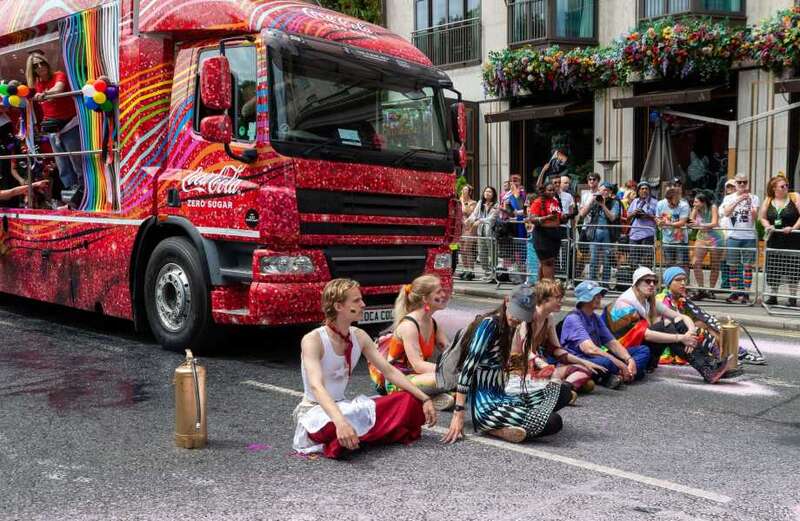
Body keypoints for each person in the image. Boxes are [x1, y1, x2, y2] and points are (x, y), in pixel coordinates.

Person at [293, 279, 436, 459]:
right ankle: (350, 434)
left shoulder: (359, 336)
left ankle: (352, 437)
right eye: (356, 301)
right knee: (347, 419)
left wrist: (424, 398)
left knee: (407, 399)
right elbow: (316, 387)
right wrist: (340, 422)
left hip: (346, 408)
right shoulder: (313, 340)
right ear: (338, 306)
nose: (363, 304)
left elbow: (389, 371)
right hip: (318, 413)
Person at [441, 285, 573, 444]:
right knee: (553, 422)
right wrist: (458, 412)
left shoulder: (512, 326)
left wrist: (535, 378)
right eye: (516, 312)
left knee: (563, 391)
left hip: (505, 394)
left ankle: (516, 419)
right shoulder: (489, 324)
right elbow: (468, 368)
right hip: (487, 404)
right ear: (506, 302)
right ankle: (495, 427)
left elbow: (514, 361)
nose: (517, 319)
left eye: (522, 316)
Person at [603, 267, 729, 383]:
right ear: (636, 283)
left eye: (654, 281)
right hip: (626, 353)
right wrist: (682, 338)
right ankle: (707, 368)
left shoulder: (649, 300)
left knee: (677, 322)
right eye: (647, 281)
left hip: (641, 347)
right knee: (666, 325)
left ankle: (709, 366)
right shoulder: (622, 305)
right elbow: (646, 335)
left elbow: (681, 317)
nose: (652, 284)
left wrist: (690, 332)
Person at [509, 280, 606, 401]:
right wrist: (545, 366)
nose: (562, 301)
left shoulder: (549, 318)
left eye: (562, 297)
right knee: (585, 383)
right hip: (518, 367)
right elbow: (526, 352)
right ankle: (560, 391)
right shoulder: (528, 316)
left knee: (584, 370)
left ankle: (563, 389)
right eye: (558, 298)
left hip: (537, 366)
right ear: (544, 299)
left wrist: (584, 362)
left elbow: (557, 350)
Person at [368, 274, 454, 409]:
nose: (444, 295)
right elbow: (418, 366)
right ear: (425, 299)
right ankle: (433, 396)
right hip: (397, 380)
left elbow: (450, 352)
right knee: (445, 379)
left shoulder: (433, 323)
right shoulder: (409, 326)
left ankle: (433, 398)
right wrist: (452, 371)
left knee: (463, 379)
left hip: (419, 377)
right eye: (438, 292)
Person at [656, 267, 765, 366]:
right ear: (668, 283)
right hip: (669, 340)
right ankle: (724, 355)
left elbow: (701, 317)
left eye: (684, 280)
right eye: (678, 280)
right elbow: (668, 325)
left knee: (705, 323)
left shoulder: (682, 299)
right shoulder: (662, 299)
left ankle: (733, 351)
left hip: (683, 333)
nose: (683, 283)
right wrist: (692, 330)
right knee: (700, 327)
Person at [559, 280, 649, 389]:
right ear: (585, 299)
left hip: (596, 357)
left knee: (643, 350)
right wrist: (620, 364)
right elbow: (590, 349)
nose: (600, 298)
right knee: (606, 362)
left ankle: (619, 375)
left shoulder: (595, 317)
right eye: (595, 295)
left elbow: (612, 343)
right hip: (581, 358)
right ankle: (624, 374)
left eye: (600, 295)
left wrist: (629, 359)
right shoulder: (573, 318)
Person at [28, 52, 83, 198]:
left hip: (69, 124)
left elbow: (58, 88)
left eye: (42, 63)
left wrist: (44, 94)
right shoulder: (38, 84)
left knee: (76, 159)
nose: (40, 67)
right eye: (35, 65)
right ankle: (71, 195)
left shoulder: (58, 75)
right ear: (32, 69)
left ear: (46, 63)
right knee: (62, 163)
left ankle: (85, 192)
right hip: (52, 128)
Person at [759, 175, 800, 307]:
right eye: (782, 186)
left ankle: (792, 297)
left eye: (787, 185)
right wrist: (767, 226)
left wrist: (793, 228)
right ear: (774, 188)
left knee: (792, 267)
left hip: (792, 239)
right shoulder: (769, 199)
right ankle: (773, 295)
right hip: (775, 239)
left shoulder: (794, 197)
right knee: (773, 267)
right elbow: (762, 217)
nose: (786, 188)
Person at [720, 173, 760, 304]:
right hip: (734, 236)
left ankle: (746, 294)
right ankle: (734, 292)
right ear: (735, 184)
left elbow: (755, 217)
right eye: (739, 182)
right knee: (733, 266)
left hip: (748, 235)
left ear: (747, 183)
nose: (742, 184)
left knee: (748, 266)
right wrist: (738, 200)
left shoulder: (754, 198)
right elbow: (726, 213)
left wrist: (749, 204)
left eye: (744, 182)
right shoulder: (728, 198)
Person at [689, 191, 724, 300]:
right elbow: (690, 221)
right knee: (695, 262)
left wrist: (699, 224)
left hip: (715, 238)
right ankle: (701, 289)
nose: (694, 203)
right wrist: (694, 209)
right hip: (702, 237)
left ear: (703, 202)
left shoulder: (713, 207)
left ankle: (711, 290)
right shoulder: (696, 209)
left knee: (714, 264)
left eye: (696, 202)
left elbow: (714, 223)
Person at [583, 181, 620, 285]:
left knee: (607, 259)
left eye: (606, 190)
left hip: (607, 232)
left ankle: (605, 283)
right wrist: (591, 201)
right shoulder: (594, 200)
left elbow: (612, 217)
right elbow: (582, 214)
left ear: (610, 192)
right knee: (593, 259)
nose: (603, 192)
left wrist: (603, 205)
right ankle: (592, 282)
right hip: (595, 232)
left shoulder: (615, 202)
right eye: (602, 190)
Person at [528, 178, 564, 281]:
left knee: (547, 262)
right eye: (549, 190)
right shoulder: (537, 202)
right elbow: (532, 219)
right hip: (542, 235)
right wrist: (546, 218)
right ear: (544, 191)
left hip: (554, 235)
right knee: (547, 262)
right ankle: (550, 287)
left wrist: (564, 217)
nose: (552, 192)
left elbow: (558, 218)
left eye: (553, 190)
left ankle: (540, 288)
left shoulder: (555, 201)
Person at [465, 186, 498, 281]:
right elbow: (474, 214)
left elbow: (492, 219)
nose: (487, 193)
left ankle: (493, 274)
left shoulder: (496, 205)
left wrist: (480, 220)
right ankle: (486, 272)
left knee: (492, 254)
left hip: (490, 234)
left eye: (490, 192)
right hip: (481, 233)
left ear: (493, 194)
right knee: (482, 253)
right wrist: (468, 220)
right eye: (486, 191)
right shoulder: (480, 203)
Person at [657, 187, 691, 274]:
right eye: (672, 202)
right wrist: (659, 222)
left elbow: (682, 222)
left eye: (677, 201)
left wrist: (666, 224)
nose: (674, 204)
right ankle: (670, 284)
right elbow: (657, 218)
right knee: (669, 264)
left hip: (681, 240)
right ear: (668, 200)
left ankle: (684, 284)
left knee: (682, 264)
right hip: (667, 240)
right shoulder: (660, 204)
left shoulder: (684, 205)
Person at [626, 181, 658, 269]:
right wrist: (634, 213)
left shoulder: (655, 202)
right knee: (633, 262)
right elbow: (627, 217)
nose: (644, 191)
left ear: (649, 191)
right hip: (634, 235)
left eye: (646, 189)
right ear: (638, 191)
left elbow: (658, 218)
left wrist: (647, 215)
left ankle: (646, 280)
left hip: (648, 234)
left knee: (647, 262)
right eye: (642, 189)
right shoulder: (635, 201)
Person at [718, 179, 737, 291]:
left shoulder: (738, 200)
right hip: (722, 233)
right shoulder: (725, 200)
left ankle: (736, 285)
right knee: (722, 259)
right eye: (728, 187)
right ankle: (725, 283)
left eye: (732, 186)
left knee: (733, 260)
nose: (730, 189)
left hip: (733, 233)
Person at [458, 184, 478, 280]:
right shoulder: (459, 202)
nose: (463, 192)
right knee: (462, 250)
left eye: (465, 190)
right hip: (461, 229)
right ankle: (465, 270)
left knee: (467, 249)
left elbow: (467, 212)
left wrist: (462, 202)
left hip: (469, 229)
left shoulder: (473, 203)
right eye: (462, 190)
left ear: (469, 192)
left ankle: (471, 271)